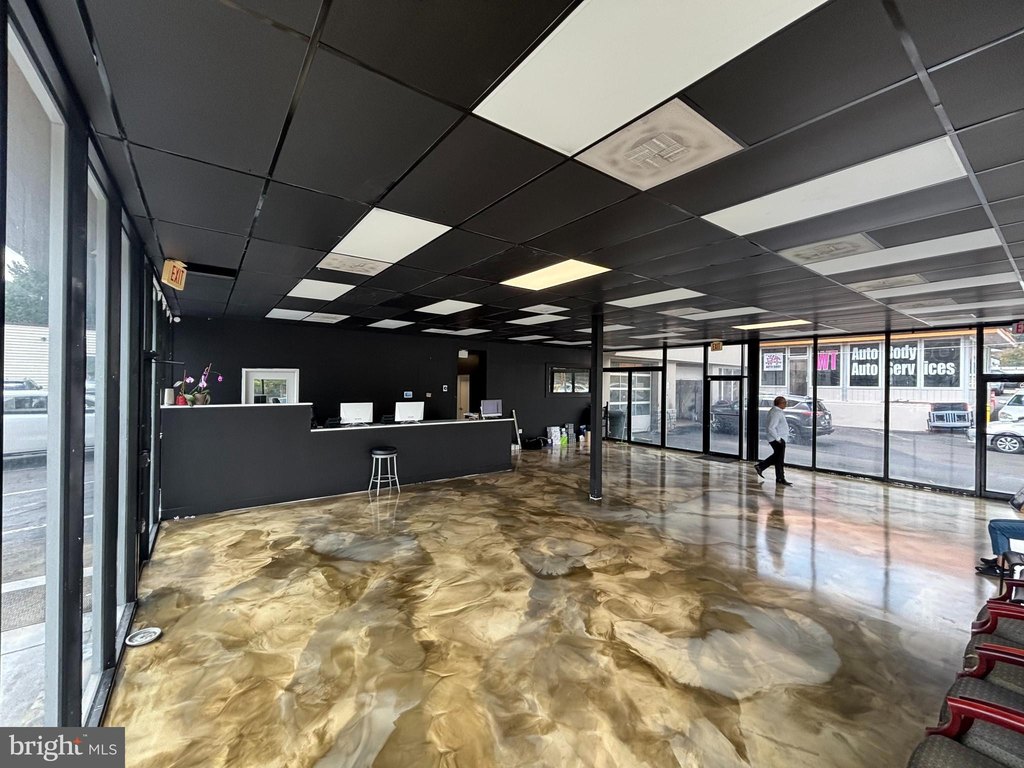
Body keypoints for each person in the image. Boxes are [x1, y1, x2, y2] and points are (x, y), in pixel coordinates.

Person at [755, 396, 792, 486]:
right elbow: (771, 427)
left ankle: (762, 468)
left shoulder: (777, 411)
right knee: (779, 459)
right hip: (777, 439)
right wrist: (778, 439)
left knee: (777, 458)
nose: (786, 404)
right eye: (785, 403)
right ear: (780, 403)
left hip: (778, 438)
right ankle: (779, 477)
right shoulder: (776, 413)